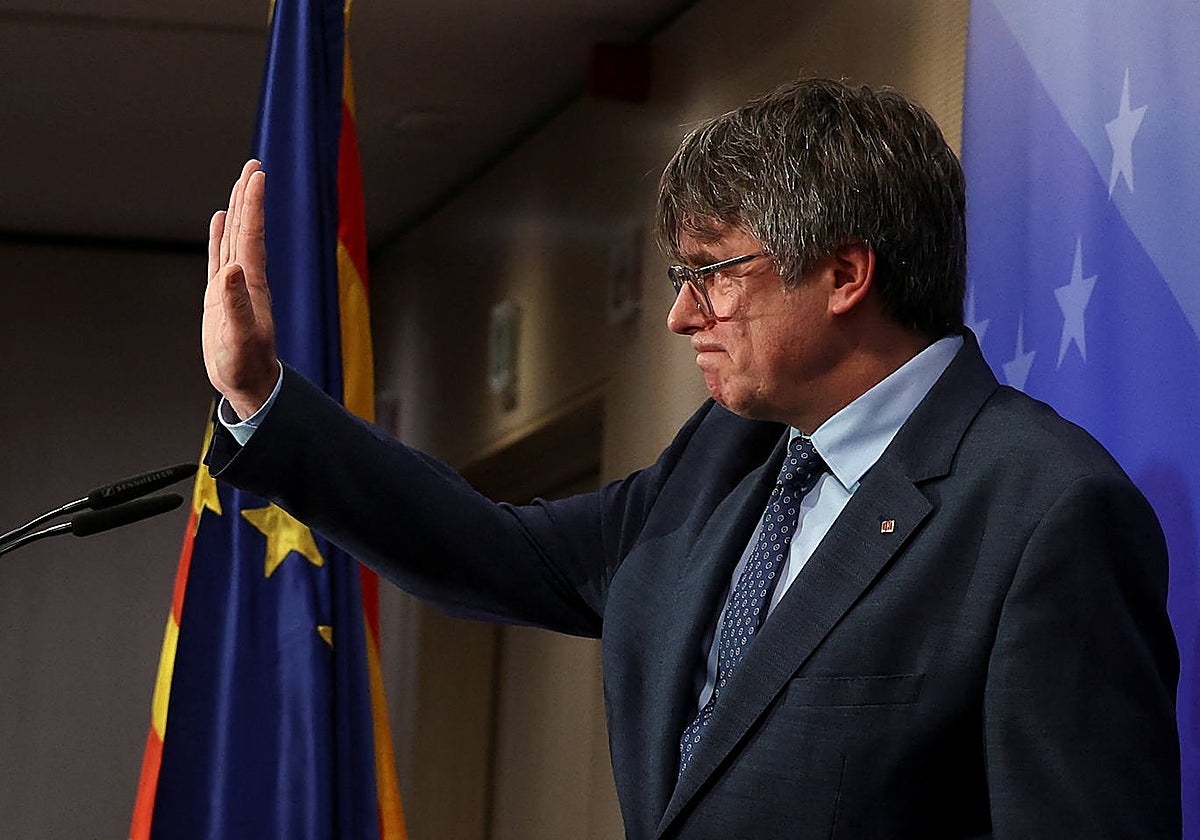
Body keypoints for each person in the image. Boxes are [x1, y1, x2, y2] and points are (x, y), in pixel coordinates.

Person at [202, 78, 1181, 838]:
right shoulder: (724, 462)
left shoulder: (1045, 510)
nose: (680, 316)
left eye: (710, 272)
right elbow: (496, 551)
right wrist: (263, 399)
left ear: (845, 273)